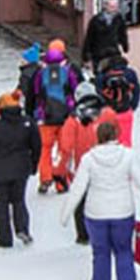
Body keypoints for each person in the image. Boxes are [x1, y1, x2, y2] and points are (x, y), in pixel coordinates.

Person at [61, 119, 140, 280]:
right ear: (116, 135)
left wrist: (65, 214)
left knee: (100, 252)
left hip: (95, 213)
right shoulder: (128, 156)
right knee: (123, 250)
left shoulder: (89, 159)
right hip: (122, 211)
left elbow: (78, 188)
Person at [0, 92, 41, 249]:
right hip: (21, 170)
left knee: (1, 204)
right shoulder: (29, 123)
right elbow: (37, 146)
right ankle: (22, 229)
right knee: (19, 201)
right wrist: (33, 166)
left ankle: (4, 239)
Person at [57, 82, 119, 243]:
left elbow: (66, 147)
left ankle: (83, 235)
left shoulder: (73, 119)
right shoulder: (108, 113)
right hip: (107, 163)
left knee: (81, 200)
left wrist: (60, 170)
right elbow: (118, 134)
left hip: (83, 167)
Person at [31, 43, 80, 192]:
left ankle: (45, 177)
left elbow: (35, 93)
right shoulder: (68, 72)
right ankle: (61, 181)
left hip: (46, 116)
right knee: (63, 150)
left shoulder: (40, 74)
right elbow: (75, 90)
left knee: (45, 149)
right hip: (65, 116)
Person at [97, 53, 140, 148]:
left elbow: (99, 93)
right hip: (125, 111)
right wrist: (132, 106)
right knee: (125, 141)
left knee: (107, 142)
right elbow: (136, 91)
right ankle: (125, 160)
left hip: (108, 112)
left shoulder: (104, 75)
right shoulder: (130, 73)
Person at [81, 0, 129, 74]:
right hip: (99, 53)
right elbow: (89, 38)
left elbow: (122, 34)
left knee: (117, 73)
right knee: (101, 76)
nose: (114, 9)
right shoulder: (96, 20)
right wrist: (86, 56)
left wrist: (125, 46)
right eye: (112, 6)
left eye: (116, 6)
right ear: (105, 6)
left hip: (113, 52)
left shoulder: (119, 19)